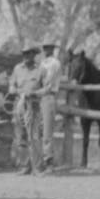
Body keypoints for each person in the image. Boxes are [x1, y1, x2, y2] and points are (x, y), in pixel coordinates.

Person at [8, 45, 43, 175]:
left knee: (34, 136)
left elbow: (46, 88)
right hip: (19, 105)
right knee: (20, 136)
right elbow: (11, 84)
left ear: (34, 54)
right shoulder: (17, 68)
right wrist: (13, 89)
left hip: (33, 105)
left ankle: (37, 167)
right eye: (25, 53)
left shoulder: (40, 69)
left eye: (29, 53)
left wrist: (34, 93)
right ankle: (24, 166)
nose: (26, 56)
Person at [37, 38, 62, 169]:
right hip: (40, 97)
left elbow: (49, 83)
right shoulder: (42, 63)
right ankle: (40, 158)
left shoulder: (55, 63)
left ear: (53, 49)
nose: (47, 50)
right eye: (45, 47)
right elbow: (38, 80)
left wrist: (36, 92)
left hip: (48, 96)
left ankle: (48, 161)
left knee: (47, 130)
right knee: (38, 129)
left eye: (49, 47)